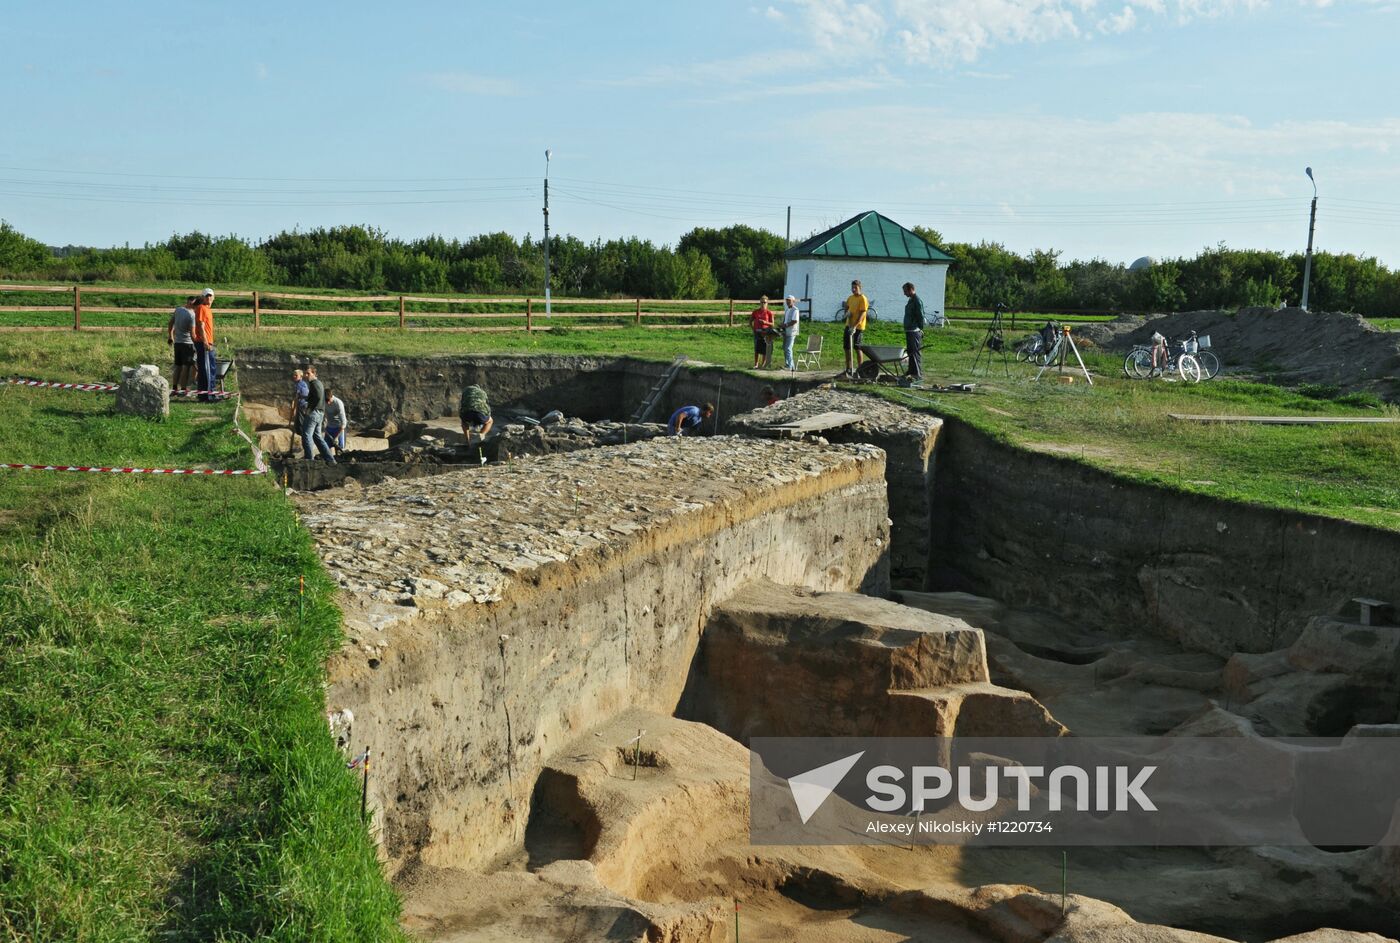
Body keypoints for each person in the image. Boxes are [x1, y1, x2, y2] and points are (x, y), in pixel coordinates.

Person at [300, 365, 336, 463]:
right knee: (317, 437)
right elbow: (316, 397)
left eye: (308, 373)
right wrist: (305, 398)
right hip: (319, 413)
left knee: (306, 435)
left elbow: (318, 398)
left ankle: (309, 460)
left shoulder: (314, 383)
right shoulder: (318, 383)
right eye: (305, 373)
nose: (306, 375)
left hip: (314, 413)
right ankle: (330, 460)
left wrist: (309, 410)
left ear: (314, 374)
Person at [166, 295, 198, 391]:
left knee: (178, 366)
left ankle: (175, 387)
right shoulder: (192, 315)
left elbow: (170, 323)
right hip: (188, 343)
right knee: (186, 367)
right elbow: (192, 333)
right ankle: (183, 388)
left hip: (178, 343)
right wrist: (197, 344)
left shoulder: (178, 310)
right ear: (192, 303)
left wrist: (170, 336)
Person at [192, 288, 216, 401]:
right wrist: (206, 342)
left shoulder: (207, 309)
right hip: (204, 343)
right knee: (208, 369)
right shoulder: (202, 308)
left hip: (205, 342)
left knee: (204, 368)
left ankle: (202, 395)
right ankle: (209, 395)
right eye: (206, 296)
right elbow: (201, 327)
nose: (209, 298)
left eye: (210, 296)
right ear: (202, 297)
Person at [841, 279, 868, 378]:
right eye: (852, 288)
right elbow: (846, 307)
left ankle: (860, 369)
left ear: (859, 288)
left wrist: (855, 326)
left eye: (855, 288)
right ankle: (848, 368)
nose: (853, 290)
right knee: (847, 347)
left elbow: (863, 313)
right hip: (848, 325)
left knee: (857, 347)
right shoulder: (850, 298)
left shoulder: (863, 298)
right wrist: (846, 313)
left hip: (858, 327)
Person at [901, 282, 926, 387]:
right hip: (909, 330)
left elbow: (920, 316)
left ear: (911, 289)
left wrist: (920, 328)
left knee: (915, 353)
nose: (904, 294)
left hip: (914, 331)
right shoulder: (911, 300)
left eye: (905, 291)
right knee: (910, 352)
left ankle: (917, 374)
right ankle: (911, 371)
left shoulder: (917, 301)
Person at [749, 296, 774, 369]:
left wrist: (765, 322)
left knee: (764, 349)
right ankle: (756, 364)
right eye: (762, 302)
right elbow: (750, 321)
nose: (763, 304)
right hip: (757, 332)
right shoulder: (755, 312)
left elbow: (772, 324)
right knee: (756, 348)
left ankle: (763, 364)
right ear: (760, 303)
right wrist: (753, 328)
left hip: (765, 332)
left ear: (767, 303)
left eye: (764, 302)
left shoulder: (769, 313)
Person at [324, 390, 348, 456]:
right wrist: (324, 428)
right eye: (326, 401)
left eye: (329, 400)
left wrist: (337, 436)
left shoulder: (338, 403)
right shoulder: (323, 402)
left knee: (339, 450)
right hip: (329, 428)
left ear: (332, 397)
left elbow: (343, 423)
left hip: (339, 428)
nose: (328, 403)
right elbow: (323, 417)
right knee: (325, 449)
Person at [780, 295, 801, 371]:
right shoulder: (787, 310)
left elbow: (794, 321)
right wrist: (782, 325)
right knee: (785, 348)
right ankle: (787, 364)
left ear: (793, 301)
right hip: (786, 331)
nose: (788, 302)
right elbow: (785, 320)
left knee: (788, 348)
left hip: (791, 332)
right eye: (787, 300)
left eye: (789, 300)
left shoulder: (795, 310)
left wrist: (785, 325)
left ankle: (791, 366)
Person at [290, 369, 309, 434]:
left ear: (301, 376)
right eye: (294, 375)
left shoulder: (301, 384)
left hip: (303, 405)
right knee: (298, 422)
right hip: (300, 404)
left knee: (301, 422)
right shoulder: (297, 384)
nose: (294, 376)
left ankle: (302, 436)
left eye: (296, 375)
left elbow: (298, 397)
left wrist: (294, 408)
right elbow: (295, 396)